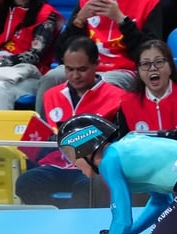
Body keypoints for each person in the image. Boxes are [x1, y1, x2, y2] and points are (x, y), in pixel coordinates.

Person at [36, 0, 164, 114]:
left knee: (104, 85)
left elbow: (151, 55)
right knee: (51, 77)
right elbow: (61, 54)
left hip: (124, 71)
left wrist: (122, 20)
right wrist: (79, 20)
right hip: (85, 67)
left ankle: (95, 136)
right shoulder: (86, 3)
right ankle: (45, 135)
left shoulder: (150, 4)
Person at [15, 37, 123, 207]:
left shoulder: (117, 97)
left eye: (82, 69)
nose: (75, 76)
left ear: (96, 64)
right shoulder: (51, 95)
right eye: (69, 69)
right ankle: (54, 220)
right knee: (26, 183)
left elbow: (118, 142)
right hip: (56, 165)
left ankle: (75, 225)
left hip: (92, 169)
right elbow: (46, 131)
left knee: (87, 188)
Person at [115, 39, 177, 134]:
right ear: (138, 71)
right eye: (145, 64)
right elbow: (123, 147)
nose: (152, 68)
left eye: (159, 62)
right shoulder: (126, 104)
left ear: (170, 67)